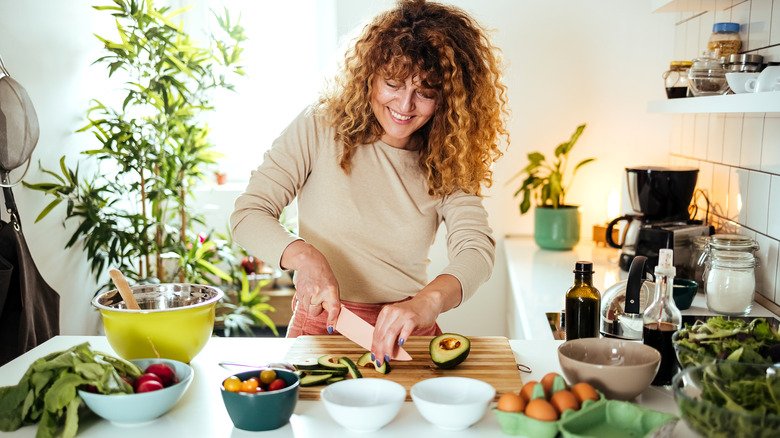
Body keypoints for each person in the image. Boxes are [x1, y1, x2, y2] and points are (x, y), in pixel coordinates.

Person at [230, 0, 509, 368]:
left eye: (425, 92)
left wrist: (426, 302)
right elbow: (248, 214)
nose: (404, 105)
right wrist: (306, 257)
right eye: (392, 83)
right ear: (369, 75)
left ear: (448, 98)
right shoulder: (319, 126)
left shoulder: (448, 156)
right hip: (321, 329)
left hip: (407, 334)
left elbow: (476, 249)